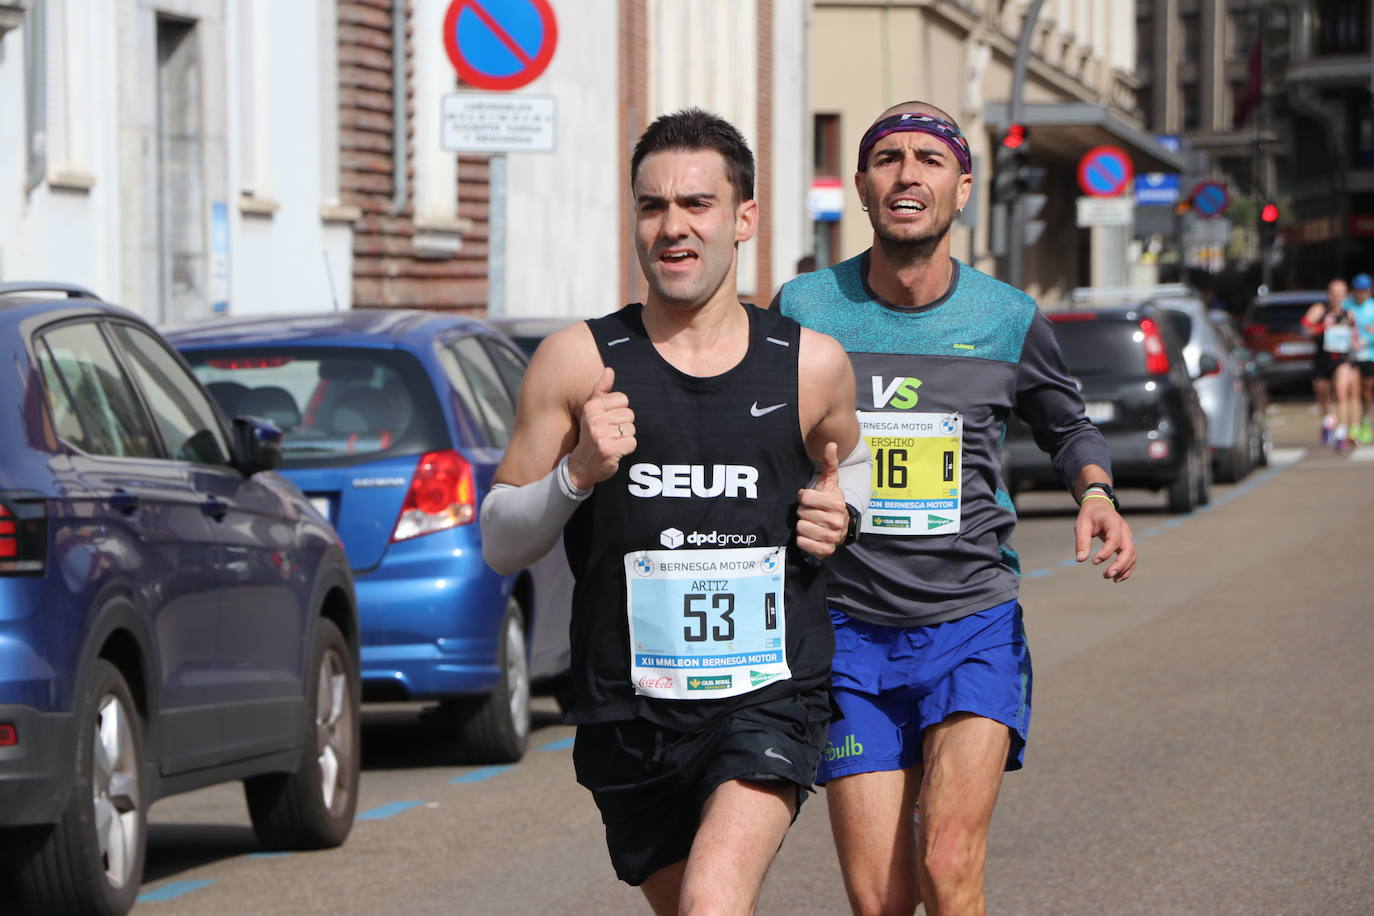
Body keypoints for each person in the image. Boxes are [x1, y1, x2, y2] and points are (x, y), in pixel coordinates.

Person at [479, 108, 869, 915]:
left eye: (697, 204)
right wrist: (577, 474)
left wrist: (843, 513)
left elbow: (851, 465)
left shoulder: (809, 364)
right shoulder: (577, 361)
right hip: (627, 709)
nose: (673, 227)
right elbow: (500, 541)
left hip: (769, 692)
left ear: (744, 219)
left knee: (711, 903)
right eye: (652, 206)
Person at [773, 101, 1137, 916]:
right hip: (847, 631)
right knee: (881, 901)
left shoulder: (1007, 318)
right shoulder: (802, 310)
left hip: (971, 621)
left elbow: (1067, 425)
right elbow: (756, 436)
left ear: (963, 188)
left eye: (929, 159)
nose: (908, 174)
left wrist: (1097, 494)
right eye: (888, 158)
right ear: (862, 186)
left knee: (947, 863)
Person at [1301, 277, 1350, 443]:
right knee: (1323, 396)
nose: (1337, 297)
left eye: (1341, 294)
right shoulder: (1320, 309)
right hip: (1322, 359)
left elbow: (1357, 331)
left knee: (1341, 392)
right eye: (1334, 293)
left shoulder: (1349, 312)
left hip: (1342, 359)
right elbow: (1305, 327)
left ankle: (1341, 431)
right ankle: (1328, 419)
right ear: (1328, 294)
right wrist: (1322, 327)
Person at [1344, 273, 1374, 446]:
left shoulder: (1372, 307)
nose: (1362, 294)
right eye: (1358, 290)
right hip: (1351, 356)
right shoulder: (1347, 306)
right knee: (1351, 390)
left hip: (1369, 355)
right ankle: (1353, 425)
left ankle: (1364, 420)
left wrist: (1368, 337)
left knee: (1366, 392)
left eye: (1365, 290)